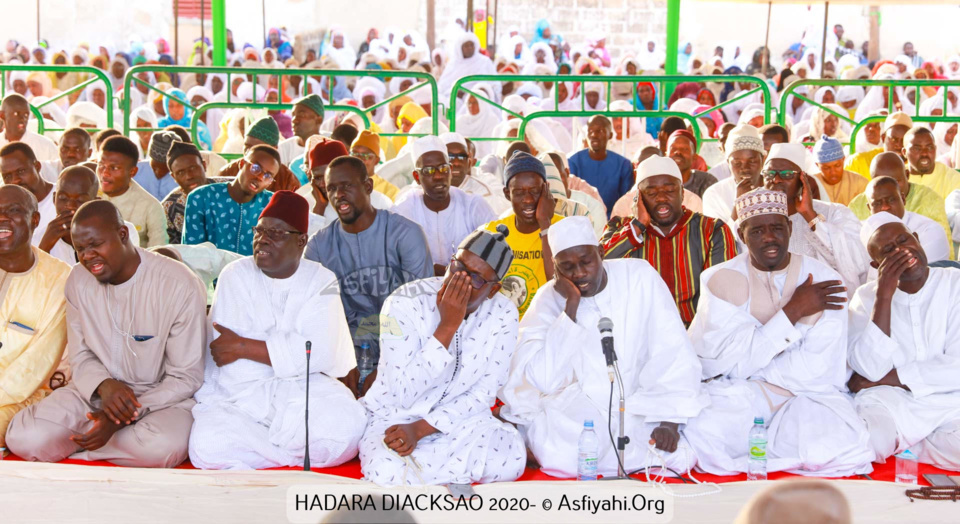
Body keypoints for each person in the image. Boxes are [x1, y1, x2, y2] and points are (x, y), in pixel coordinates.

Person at [684, 188, 874, 477]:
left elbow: (818, 370)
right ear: (741, 234)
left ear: (789, 227)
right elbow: (720, 365)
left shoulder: (825, 280)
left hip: (808, 397)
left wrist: (752, 364)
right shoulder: (719, 280)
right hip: (744, 395)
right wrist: (793, 311)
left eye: (776, 228)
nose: (769, 237)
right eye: (757, 231)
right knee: (701, 428)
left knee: (832, 444)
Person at [501, 216, 708, 478]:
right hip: (582, 405)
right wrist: (571, 309)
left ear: (600, 252)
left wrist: (669, 419)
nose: (578, 273)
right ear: (555, 269)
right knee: (564, 454)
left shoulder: (639, 275)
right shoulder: (548, 298)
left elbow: (671, 349)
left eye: (585, 262)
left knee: (700, 436)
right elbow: (542, 380)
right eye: (567, 267)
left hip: (646, 399)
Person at [6, 200, 206, 467]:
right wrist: (105, 386)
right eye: (80, 249)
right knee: (24, 436)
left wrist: (122, 416)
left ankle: (81, 445)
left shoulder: (179, 284)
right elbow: (81, 356)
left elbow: (185, 376)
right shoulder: (78, 280)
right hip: (93, 393)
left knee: (163, 446)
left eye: (95, 245)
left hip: (159, 401)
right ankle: (109, 444)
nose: (88, 256)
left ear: (122, 235)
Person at [188, 191, 366, 470]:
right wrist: (287, 352)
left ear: (301, 240)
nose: (263, 239)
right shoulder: (235, 275)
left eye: (277, 233)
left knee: (347, 430)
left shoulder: (320, 279)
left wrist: (246, 346)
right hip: (241, 397)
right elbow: (230, 362)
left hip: (307, 391)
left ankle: (269, 454)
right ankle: (295, 456)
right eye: (260, 230)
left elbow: (318, 352)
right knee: (207, 446)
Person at [359, 225, 526, 486]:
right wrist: (447, 327)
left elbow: (484, 392)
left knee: (511, 457)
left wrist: (422, 429)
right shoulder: (404, 302)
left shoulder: (504, 313)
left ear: (494, 290)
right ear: (450, 262)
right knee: (386, 471)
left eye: (477, 279)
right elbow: (403, 393)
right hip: (398, 416)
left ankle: (429, 478)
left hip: (462, 422)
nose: (461, 281)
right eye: (459, 267)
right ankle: (451, 478)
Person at [304, 156, 432, 397]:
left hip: (404, 349)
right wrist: (341, 362)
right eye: (331, 188)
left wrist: (386, 368)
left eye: (347, 186)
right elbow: (313, 314)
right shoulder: (318, 246)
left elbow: (420, 311)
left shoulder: (405, 234)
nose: (338, 194)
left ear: (368, 187)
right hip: (343, 353)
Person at [848, 213, 960, 471]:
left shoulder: (954, 284)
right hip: (891, 402)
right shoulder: (864, 298)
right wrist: (883, 296)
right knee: (867, 441)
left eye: (904, 240)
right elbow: (869, 369)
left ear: (917, 240)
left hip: (949, 400)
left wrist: (888, 377)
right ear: (876, 266)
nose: (901, 251)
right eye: (888, 250)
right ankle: (907, 444)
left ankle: (909, 447)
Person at [602, 156, 737, 325]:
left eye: (670, 190)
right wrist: (637, 226)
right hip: (640, 336)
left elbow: (721, 295)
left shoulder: (712, 231)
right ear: (638, 198)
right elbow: (597, 265)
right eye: (651, 193)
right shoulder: (620, 227)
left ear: (682, 192)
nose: (661, 198)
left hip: (698, 337)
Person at [0, 185, 69, 453]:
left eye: (14, 211)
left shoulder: (59, 281)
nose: (2, 218)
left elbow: (35, 366)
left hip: (19, 397)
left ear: (35, 220)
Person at [763, 143, 868, 294]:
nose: (776, 179)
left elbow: (857, 263)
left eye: (786, 174)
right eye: (769, 174)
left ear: (802, 178)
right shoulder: (754, 220)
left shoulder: (835, 213)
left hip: (830, 305)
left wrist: (810, 215)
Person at [393, 136, 495, 275]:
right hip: (418, 289)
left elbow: (494, 250)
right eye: (428, 170)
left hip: (469, 286)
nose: (438, 176)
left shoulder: (473, 205)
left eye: (443, 168)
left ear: (450, 170)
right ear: (417, 177)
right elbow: (396, 259)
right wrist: (445, 271)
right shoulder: (404, 210)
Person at [482, 152, 561, 318]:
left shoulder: (563, 227)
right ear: (506, 194)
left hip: (549, 321)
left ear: (546, 189)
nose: (527, 199)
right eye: (518, 192)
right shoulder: (493, 232)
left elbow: (558, 285)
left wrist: (545, 223)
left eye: (535, 191)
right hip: (502, 325)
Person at [183, 145, 278, 256]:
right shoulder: (200, 198)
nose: (260, 177)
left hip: (253, 272)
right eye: (256, 168)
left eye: (268, 176)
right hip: (209, 272)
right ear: (242, 164)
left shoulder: (273, 205)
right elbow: (192, 255)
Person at [41, 165, 140, 265]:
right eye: (63, 198)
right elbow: (31, 279)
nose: (70, 206)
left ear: (95, 203)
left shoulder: (121, 232)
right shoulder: (40, 238)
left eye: (80, 200)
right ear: (54, 199)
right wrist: (44, 248)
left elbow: (126, 272)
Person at [849, 152, 951, 246]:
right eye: (881, 181)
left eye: (896, 181)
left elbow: (943, 251)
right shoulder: (857, 205)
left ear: (907, 175)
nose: (888, 188)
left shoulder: (930, 200)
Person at [95, 136, 168, 248]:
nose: (105, 173)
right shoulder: (87, 195)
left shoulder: (151, 207)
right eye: (101, 165)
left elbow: (158, 252)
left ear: (132, 172)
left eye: (114, 168)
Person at [863, 177, 951, 263]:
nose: (885, 207)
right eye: (877, 203)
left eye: (891, 200)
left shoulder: (930, 231)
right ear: (869, 208)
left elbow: (917, 274)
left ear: (903, 199)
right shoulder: (862, 234)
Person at [567, 115, 633, 214]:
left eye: (600, 131)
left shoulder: (623, 164)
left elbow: (626, 201)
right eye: (590, 131)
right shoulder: (574, 162)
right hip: (582, 219)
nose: (594, 135)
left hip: (615, 221)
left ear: (610, 135)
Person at [702, 124, 767, 224]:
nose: (745, 168)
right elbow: (718, 237)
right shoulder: (714, 194)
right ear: (728, 162)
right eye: (737, 163)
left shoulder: (774, 189)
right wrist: (739, 203)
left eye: (752, 161)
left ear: (762, 160)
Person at [161, 141, 223, 244]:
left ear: (204, 165)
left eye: (193, 168)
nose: (189, 176)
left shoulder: (226, 189)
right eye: (181, 172)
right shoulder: (169, 207)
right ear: (173, 177)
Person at [217, 117, 300, 192]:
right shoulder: (228, 172)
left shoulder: (288, 180)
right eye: (247, 146)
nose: (249, 152)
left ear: (274, 148)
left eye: (256, 148)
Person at [0, 142, 55, 247]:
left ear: (37, 167)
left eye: (21, 171)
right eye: (7, 176)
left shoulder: (66, 199)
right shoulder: (3, 211)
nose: (15, 180)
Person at [439, 132, 509, 214]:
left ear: (470, 161)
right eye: (450, 157)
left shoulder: (483, 191)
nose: (456, 163)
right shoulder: (425, 190)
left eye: (462, 157)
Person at [845, 112, 913, 179]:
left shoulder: (916, 167)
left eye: (903, 140)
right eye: (893, 139)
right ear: (883, 138)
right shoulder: (859, 162)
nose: (899, 145)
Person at [904, 126, 960, 201]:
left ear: (935, 148)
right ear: (904, 152)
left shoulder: (952, 178)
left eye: (930, 148)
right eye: (917, 149)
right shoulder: (897, 178)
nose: (924, 153)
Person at [812, 135, 868, 206]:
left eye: (837, 166)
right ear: (817, 165)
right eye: (826, 168)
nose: (833, 172)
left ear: (843, 159)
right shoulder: (811, 185)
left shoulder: (860, 183)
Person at [0, 94, 58, 162]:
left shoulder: (45, 146)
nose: (22, 119)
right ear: (2, 115)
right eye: (16, 114)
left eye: (26, 114)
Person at [130, 130, 179, 202]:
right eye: (155, 167)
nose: (159, 172)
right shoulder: (135, 171)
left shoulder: (181, 176)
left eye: (165, 169)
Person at [350, 129, 399, 201]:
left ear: (376, 161)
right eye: (355, 154)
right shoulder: (341, 183)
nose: (359, 159)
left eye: (366, 156)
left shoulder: (390, 192)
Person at [667, 129, 717, 198]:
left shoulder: (706, 181)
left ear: (694, 157)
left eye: (685, 149)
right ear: (666, 155)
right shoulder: (656, 182)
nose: (678, 152)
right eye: (673, 148)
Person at [278, 94, 324, 166]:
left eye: (302, 115)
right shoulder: (283, 148)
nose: (294, 120)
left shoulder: (330, 147)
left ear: (319, 120)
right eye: (293, 115)